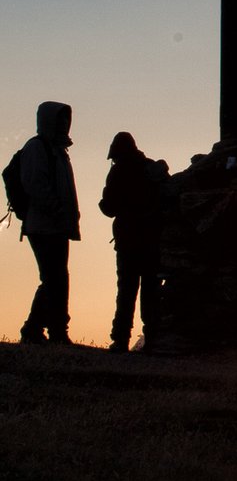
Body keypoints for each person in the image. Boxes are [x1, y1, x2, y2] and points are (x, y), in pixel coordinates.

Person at [98, 132, 168, 353]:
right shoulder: (151, 169)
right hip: (153, 241)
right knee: (151, 291)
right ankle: (154, 339)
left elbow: (109, 206)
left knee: (126, 291)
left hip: (129, 241)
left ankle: (120, 340)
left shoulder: (119, 171)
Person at [17, 101, 80, 346]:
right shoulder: (37, 148)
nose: (64, 123)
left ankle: (40, 329)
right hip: (44, 225)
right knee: (54, 278)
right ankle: (49, 330)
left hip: (57, 225)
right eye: (60, 119)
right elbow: (35, 184)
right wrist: (56, 209)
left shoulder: (58, 150)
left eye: (66, 119)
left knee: (56, 278)